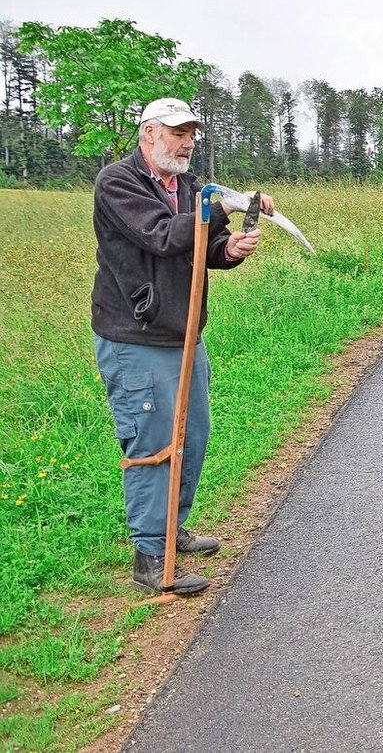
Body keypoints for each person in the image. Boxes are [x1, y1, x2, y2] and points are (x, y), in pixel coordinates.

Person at [93, 97, 273, 595]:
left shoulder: (188, 187)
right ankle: (151, 555)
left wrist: (228, 249)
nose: (188, 141)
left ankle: (173, 528)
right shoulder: (118, 181)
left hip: (184, 331)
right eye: (177, 132)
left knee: (192, 436)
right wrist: (221, 206)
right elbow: (163, 236)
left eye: (192, 132)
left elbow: (200, 248)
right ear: (149, 133)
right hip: (137, 336)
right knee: (154, 442)